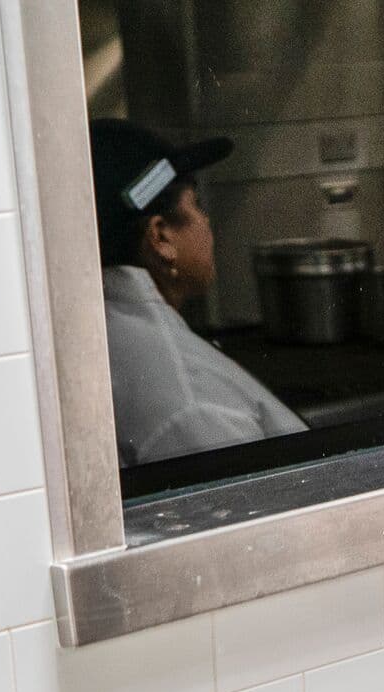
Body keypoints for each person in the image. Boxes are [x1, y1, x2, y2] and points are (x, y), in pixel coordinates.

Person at [90, 119, 303, 466]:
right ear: (161, 238)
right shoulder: (195, 401)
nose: (207, 223)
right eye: (196, 205)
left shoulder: (110, 333)